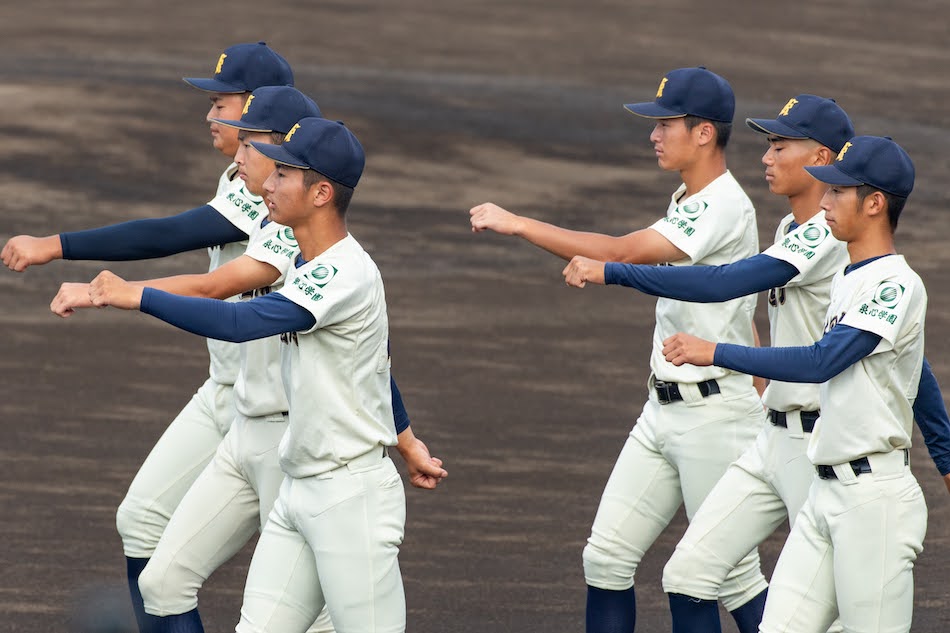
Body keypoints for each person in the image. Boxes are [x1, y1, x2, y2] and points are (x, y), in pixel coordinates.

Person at [563, 97, 950, 632]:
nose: (766, 157)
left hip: (840, 462)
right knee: (697, 579)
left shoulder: (850, 255)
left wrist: (622, 276)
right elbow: (912, 361)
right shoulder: (830, 256)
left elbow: (742, 296)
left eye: (779, 145)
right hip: (789, 443)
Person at [2, 42, 295, 632]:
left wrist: (57, 245)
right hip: (227, 390)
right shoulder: (242, 170)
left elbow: (171, 235)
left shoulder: (285, 183)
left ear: (260, 111)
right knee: (141, 522)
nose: (211, 117)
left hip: (283, 406)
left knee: (298, 605)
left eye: (221, 103)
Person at [470, 67, 768, 632]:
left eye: (665, 124)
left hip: (713, 417)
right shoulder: (691, 200)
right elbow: (738, 309)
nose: (653, 134)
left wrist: (518, 224)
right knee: (606, 558)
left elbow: (622, 251)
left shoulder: (722, 204)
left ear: (704, 132)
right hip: (662, 413)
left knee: (728, 577)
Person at [88, 116, 411, 633]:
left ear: (321, 192)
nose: (266, 183)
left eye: (283, 174)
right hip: (299, 490)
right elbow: (378, 365)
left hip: (351, 500)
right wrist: (408, 436)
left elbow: (241, 321)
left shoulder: (343, 273)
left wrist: (138, 295)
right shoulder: (305, 262)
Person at [658, 135, 928, 633]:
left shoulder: (897, 284)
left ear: (874, 203)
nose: (823, 202)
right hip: (825, 491)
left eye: (837, 193)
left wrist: (715, 351)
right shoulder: (848, 276)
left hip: (875, 504)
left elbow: (824, 360)